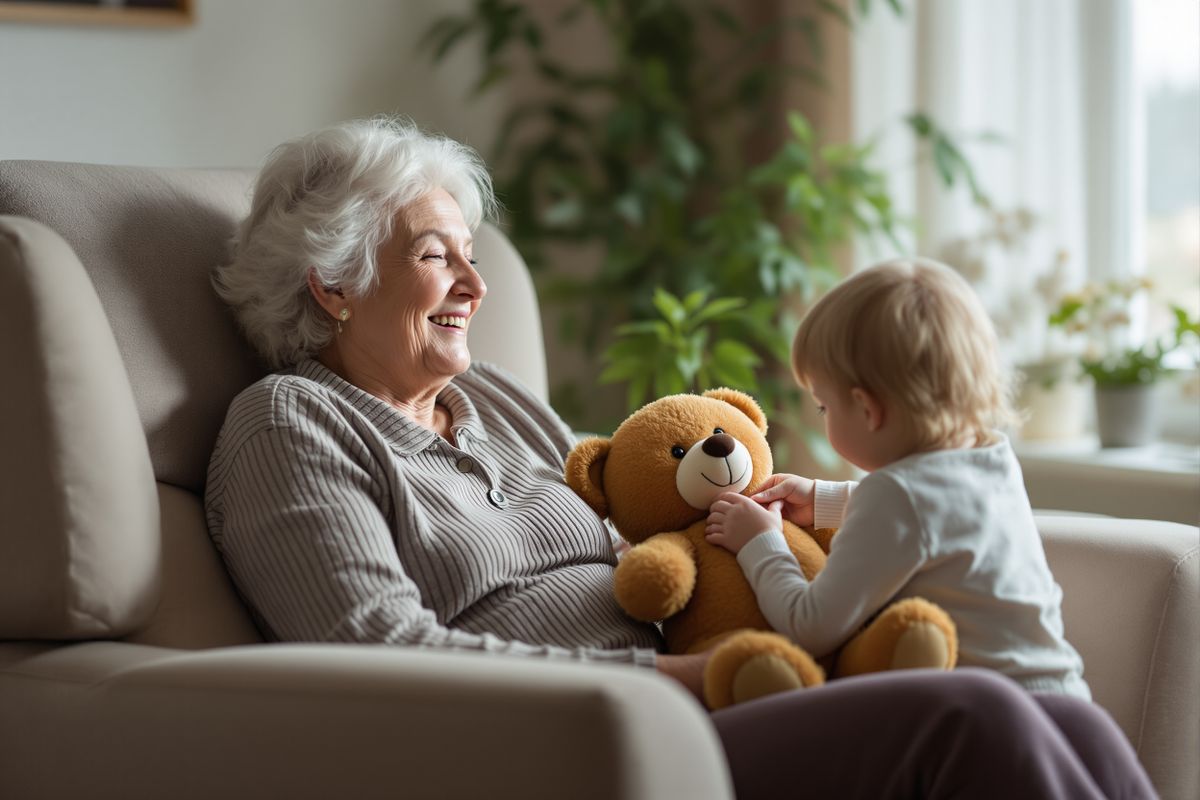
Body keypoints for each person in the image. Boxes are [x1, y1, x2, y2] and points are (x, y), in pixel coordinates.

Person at [205, 117, 1155, 799]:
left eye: (471, 254)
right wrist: (691, 680)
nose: (475, 282)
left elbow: (642, 516)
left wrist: (764, 536)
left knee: (1059, 716)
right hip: (569, 745)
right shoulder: (288, 424)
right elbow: (375, 653)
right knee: (974, 718)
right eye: (434, 256)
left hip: (702, 691)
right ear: (331, 284)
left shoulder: (487, 396)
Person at [704, 258, 1092, 698]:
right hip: (1065, 696)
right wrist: (825, 499)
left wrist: (761, 541)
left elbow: (809, 625)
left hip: (998, 721)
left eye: (823, 407)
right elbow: (934, 515)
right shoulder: (990, 457)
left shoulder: (896, 496)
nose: (823, 416)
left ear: (868, 410)